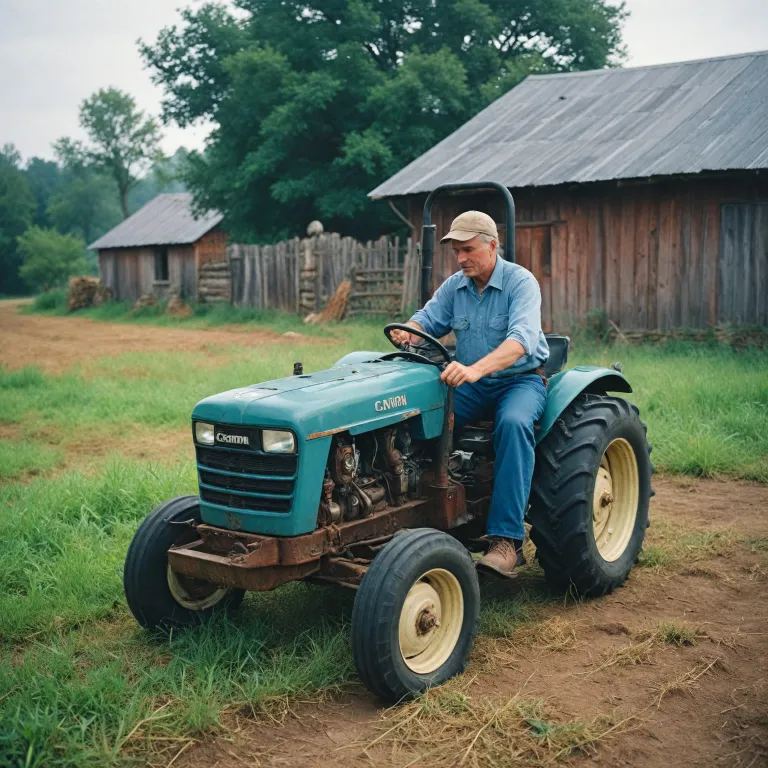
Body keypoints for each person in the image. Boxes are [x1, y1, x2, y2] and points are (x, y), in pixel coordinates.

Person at [391, 210, 549, 577]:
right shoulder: (455, 286)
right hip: (472, 383)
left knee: (512, 424)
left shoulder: (520, 283)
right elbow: (425, 320)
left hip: (519, 380)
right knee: (419, 417)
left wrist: (475, 368)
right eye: (455, 251)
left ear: (492, 246)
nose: (460, 258)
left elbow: (521, 342)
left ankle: (505, 541)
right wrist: (409, 332)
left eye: (467, 250)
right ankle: (419, 510)